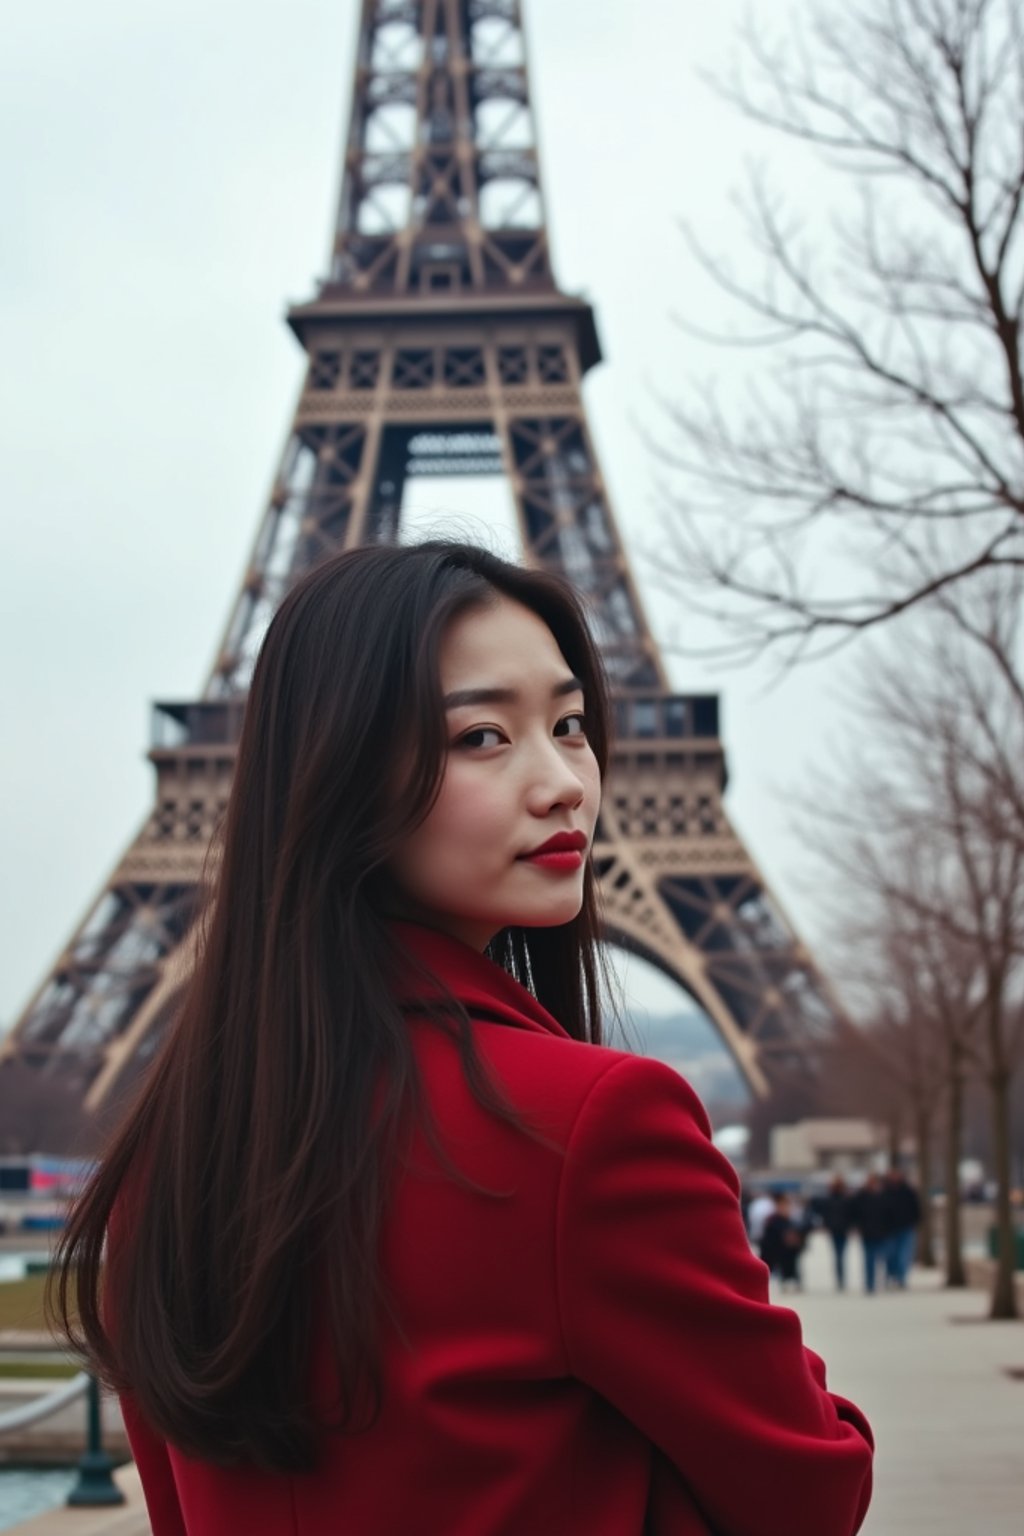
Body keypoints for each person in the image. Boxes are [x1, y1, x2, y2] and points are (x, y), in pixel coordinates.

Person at [49, 542, 873, 1535]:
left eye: (570, 725)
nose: (565, 782)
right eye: (482, 737)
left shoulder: (171, 1157)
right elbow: (814, 1489)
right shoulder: (593, 1129)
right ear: (340, 771)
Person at [882, 1167, 922, 1288]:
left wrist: (915, 1221)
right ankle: (891, 1274)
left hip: (905, 1226)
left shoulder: (908, 1191)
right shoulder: (885, 1191)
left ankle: (901, 1277)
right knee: (891, 1254)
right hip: (889, 1228)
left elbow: (916, 1208)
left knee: (904, 1254)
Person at [849, 1172, 889, 1294]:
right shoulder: (861, 1196)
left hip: (880, 1232)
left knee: (881, 1258)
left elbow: (888, 1213)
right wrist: (857, 1226)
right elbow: (854, 1212)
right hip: (867, 1233)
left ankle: (881, 1281)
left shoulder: (882, 1196)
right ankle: (869, 1283)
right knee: (868, 1259)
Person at [759, 1193, 805, 1292]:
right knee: (777, 1266)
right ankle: (783, 1282)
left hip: (789, 1249)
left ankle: (793, 1282)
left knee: (792, 1265)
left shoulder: (790, 1219)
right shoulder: (772, 1220)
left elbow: (799, 1231)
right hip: (775, 1248)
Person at [820, 1176, 855, 1292]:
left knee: (838, 1255)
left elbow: (826, 1215)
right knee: (840, 1255)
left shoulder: (832, 1199)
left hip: (838, 1229)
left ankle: (840, 1278)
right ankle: (840, 1278)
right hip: (839, 1230)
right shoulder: (845, 1199)